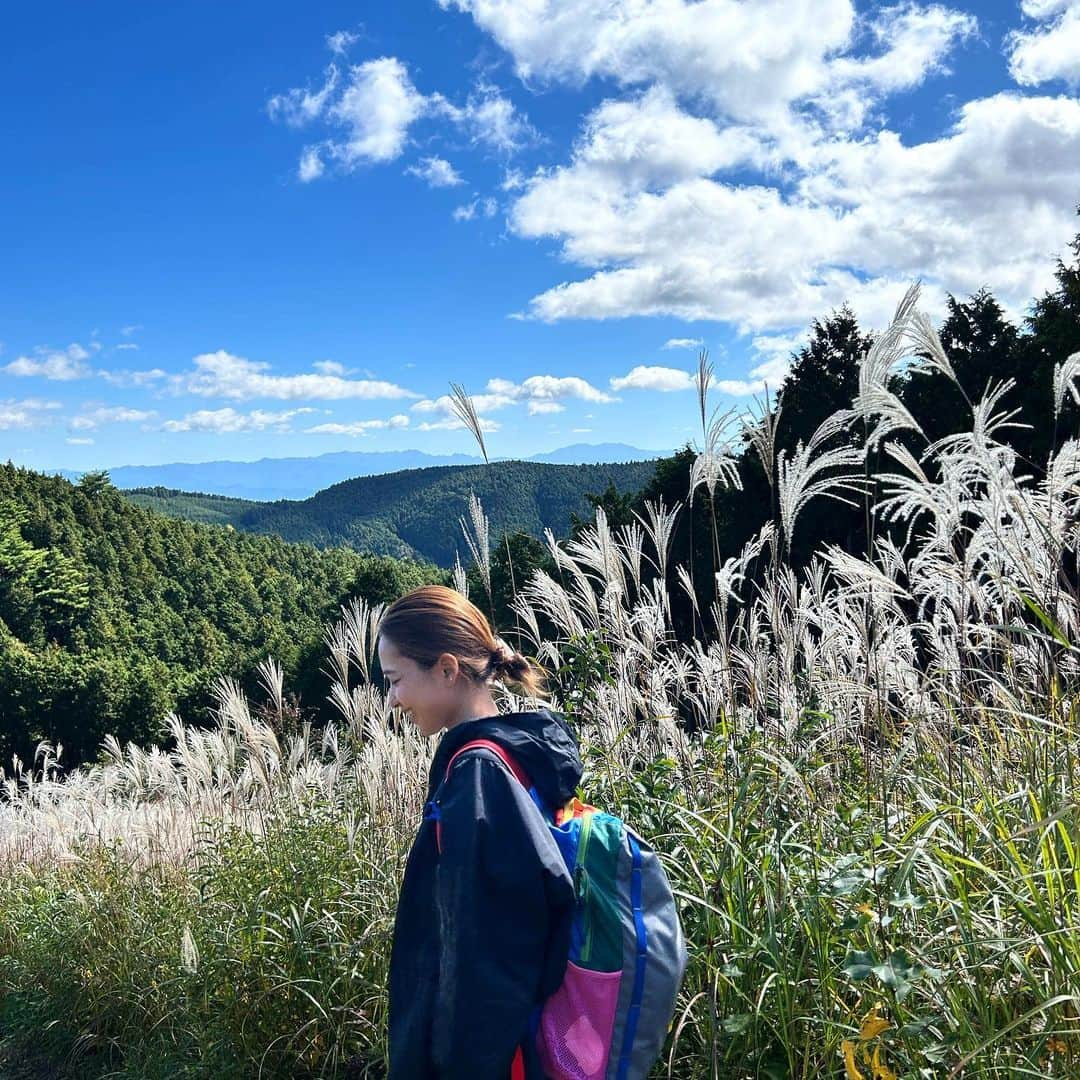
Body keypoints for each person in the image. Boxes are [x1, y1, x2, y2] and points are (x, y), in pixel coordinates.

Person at [379, 584, 581, 1080]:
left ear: (447, 669)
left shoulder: (478, 776)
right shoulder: (518, 753)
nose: (391, 700)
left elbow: (481, 960)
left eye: (395, 680)